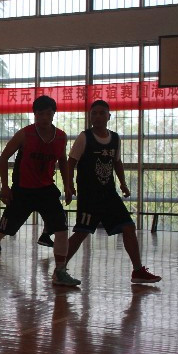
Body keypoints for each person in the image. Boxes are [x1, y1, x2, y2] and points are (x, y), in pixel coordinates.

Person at [0, 95, 80, 286]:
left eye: (48, 113)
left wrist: (68, 184)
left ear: (53, 114)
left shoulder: (60, 137)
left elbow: (63, 162)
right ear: (35, 115)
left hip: (46, 190)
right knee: (3, 229)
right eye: (40, 114)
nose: (44, 117)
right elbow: (3, 158)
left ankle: (59, 271)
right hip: (23, 191)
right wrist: (5, 186)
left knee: (61, 229)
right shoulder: (25, 134)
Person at [65, 100, 161, 283]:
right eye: (94, 113)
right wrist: (69, 185)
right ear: (90, 116)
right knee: (82, 232)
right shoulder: (84, 137)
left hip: (109, 194)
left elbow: (117, 162)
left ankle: (138, 271)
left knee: (129, 227)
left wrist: (123, 184)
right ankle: (59, 269)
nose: (98, 116)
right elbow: (71, 162)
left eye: (102, 113)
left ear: (109, 116)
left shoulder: (115, 138)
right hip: (89, 196)